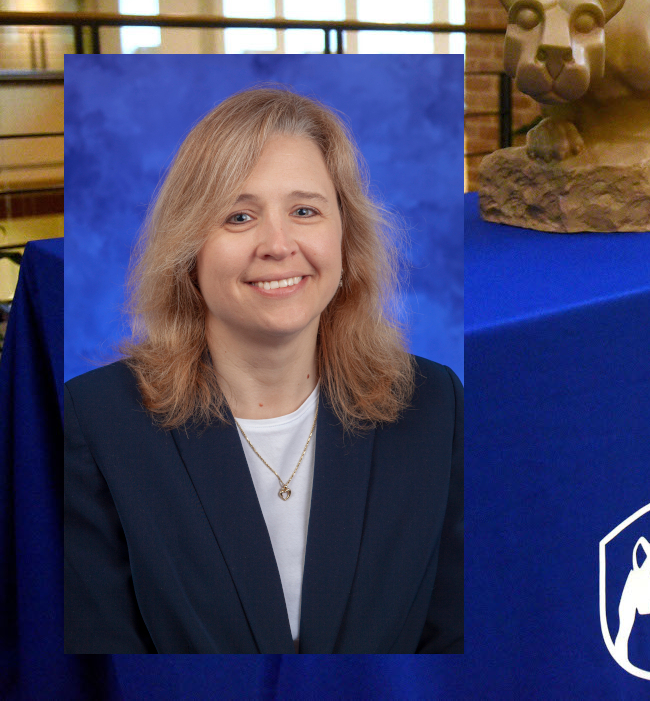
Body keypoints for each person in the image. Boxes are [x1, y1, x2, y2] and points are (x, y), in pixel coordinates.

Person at [64, 86, 463, 654]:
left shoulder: (435, 405)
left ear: (345, 236)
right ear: (189, 250)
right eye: (239, 215)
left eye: (305, 211)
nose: (278, 244)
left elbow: (455, 641)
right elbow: (98, 663)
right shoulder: (96, 423)